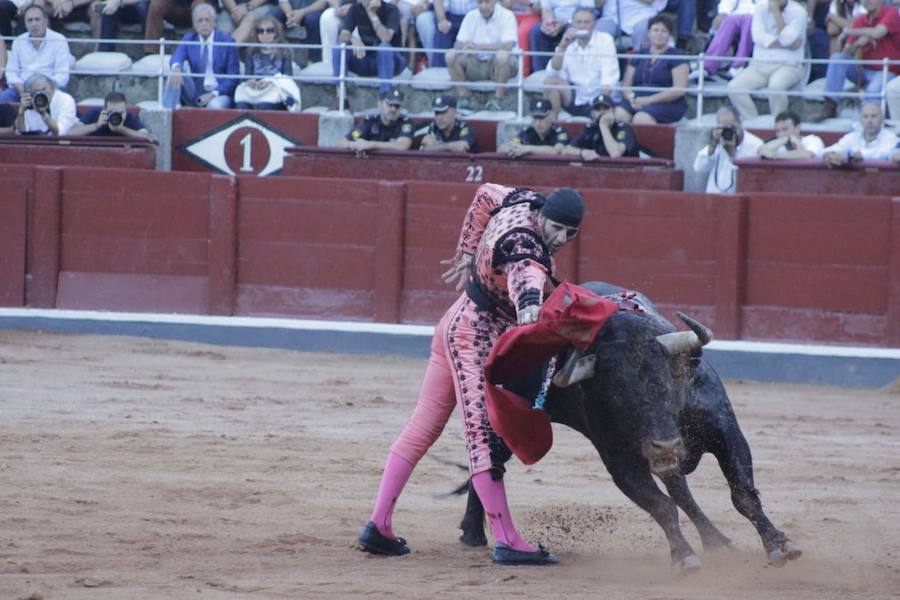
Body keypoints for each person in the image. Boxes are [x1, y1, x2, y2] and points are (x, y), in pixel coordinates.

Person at [358, 182, 585, 566]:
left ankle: (378, 525)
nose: (561, 237)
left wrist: (466, 251)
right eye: (557, 227)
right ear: (543, 214)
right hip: (473, 337)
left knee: (423, 426)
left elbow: (485, 194)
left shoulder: (520, 200)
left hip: (455, 320)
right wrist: (529, 305)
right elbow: (525, 274)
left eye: (570, 232)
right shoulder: (526, 247)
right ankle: (508, 540)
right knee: (481, 439)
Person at [809, 0, 900, 122]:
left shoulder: (891, 12)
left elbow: (878, 32)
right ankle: (830, 106)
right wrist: (858, 43)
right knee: (838, 58)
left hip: (887, 71)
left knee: (873, 89)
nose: (867, 1)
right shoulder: (861, 19)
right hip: (863, 70)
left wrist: (849, 31)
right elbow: (847, 51)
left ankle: (870, 121)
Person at [726, 0, 807, 121]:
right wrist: (786, 45)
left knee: (776, 87)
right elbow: (758, 37)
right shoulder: (760, 7)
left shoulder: (799, 12)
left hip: (789, 65)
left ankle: (780, 125)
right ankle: (754, 123)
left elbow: (786, 39)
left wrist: (776, 12)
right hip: (759, 65)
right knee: (734, 87)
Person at [542, 7, 618, 117]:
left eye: (586, 22)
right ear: (573, 24)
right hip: (575, 97)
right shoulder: (568, 41)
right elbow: (552, 73)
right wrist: (562, 47)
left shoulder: (605, 40)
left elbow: (609, 80)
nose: (582, 26)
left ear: (594, 24)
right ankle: (552, 127)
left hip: (599, 100)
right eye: (579, 22)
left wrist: (600, 106)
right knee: (550, 82)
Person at [614, 14, 689, 125]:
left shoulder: (677, 56)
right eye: (655, 30)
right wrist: (632, 98)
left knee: (641, 119)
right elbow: (626, 85)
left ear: (670, 35)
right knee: (618, 114)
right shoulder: (639, 55)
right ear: (649, 33)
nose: (659, 34)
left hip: (666, 102)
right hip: (637, 99)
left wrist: (649, 100)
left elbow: (679, 89)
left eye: (664, 31)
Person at [162, 2, 240, 109]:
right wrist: (177, 67)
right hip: (196, 91)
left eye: (207, 20)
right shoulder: (189, 39)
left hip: (219, 93)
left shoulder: (227, 41)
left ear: (214, 23)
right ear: (194, 24)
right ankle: (166, 112)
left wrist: (213, 94)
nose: (204, 24)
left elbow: (233, 77)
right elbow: (177, 56)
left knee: (214, 106)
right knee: (174, 73)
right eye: (200, 20)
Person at [445, 0, 518, 111]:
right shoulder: (470, 16)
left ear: (494, 2)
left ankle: (498, 99)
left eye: (487, 2)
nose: (483, 6)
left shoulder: (507, 15)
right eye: (480, 2)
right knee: (450, 55)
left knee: (502, 56)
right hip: (476, 62)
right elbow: (457, 44)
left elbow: (508, 45)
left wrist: (479, 47)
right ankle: (464, 97)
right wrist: (466, 45)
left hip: (498, 65)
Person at [0, 4, 71, 103]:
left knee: (62, 100)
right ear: (25, 23)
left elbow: (62, 74)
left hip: (50, 89)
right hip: (22, 89)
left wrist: (44, 88)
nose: (34, 24)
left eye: (37, 19)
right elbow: (11, 71)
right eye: (30, 20)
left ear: (46, 21)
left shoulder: (59, 40)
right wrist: (21, 88)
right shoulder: (19, 41)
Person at [332, 0, 406, 95]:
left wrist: (372, 14)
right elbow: (343, 35)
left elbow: (386, 38)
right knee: (339, 47)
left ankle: (385, 97)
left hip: (391, 62)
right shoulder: (355, 9)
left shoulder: (391, 10)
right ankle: (341, 97)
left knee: (384, 48)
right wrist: (354, 40)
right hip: (366, 58)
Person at [234, 15, 301, 110]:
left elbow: (287, 76)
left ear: (276, 33)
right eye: (261, 31)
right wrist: (251, 81)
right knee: (241, 105)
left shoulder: (285, 51)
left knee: (264, 106)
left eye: (269, 30)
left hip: (275, 88)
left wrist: (270, 82)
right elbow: (247, 75)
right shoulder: (251, 51)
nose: (265, 34)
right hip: (255, 89)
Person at [693, 104, 763, 193]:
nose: (727, 130)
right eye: (723, 126)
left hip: (738, 199)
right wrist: (712, 145)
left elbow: (749, 178)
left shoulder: (755, 145)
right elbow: (699, 168)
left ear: (739, 123)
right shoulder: (719, 141)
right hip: (713, 198)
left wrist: (732, 154)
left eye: (730, 126)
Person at [336, 87, 414, 153]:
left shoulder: (405, 123)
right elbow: (341, 143)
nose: (393, 109)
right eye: (389, 105)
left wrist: (371, 144)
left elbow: (402, 146)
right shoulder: (370, 122)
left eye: (397, 106)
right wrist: (353, 145)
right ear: (380, 105)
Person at [562, 93, 639, 159]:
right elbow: (566, 151)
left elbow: (615, 154)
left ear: (613, 111)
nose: (602, 112)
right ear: (592, 113)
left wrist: (604, 127)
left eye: (606, 108)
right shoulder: (590, 128)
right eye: (598, 109)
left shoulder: (623, 128)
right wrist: (582, 152)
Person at [528, 0, 596, 72]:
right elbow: (546, 10)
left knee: (571, 31)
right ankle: (540, 72)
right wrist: (550, 25)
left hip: (576, 22)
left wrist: (566, 22)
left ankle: (574, 72)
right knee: (537, 31)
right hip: (557, 22)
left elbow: (587, 11)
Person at [822, 102, 898, 165]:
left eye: (874, 116)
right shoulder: (852, 137)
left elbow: (882, 153)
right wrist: (829, 155)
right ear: (860, 120)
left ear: (882, 119)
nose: (869, 120)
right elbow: (831, 149)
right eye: (865, 117)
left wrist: (850, 156)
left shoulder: (891, 138)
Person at [699, 0, 758, 79]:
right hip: (737, 14)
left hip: (758, 15)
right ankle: (707, 66)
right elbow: (727, 3)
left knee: (748, 21)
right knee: (729, 20)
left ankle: (738, 66)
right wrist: (724, 12)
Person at [68, 91, 156, 141]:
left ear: (126, 109)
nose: (117, 115)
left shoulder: (130, 118)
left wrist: (122, 129)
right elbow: (71, 132)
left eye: (121, 112)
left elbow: (148, 138)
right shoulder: (95, 114)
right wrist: (96, 125)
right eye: (112, 112)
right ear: (104, 110)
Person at [499, 97, 569, 157]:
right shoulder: (527, 131)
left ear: (551, 116)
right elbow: (503, 148)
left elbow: (556, 151)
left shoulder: (559, 133)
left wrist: (527, 149)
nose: (538, 123)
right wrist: (508, 149)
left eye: (542, 118)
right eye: (535, 118)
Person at [416, 0, 477, 68]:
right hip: (450, 17)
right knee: (441, 40)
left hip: (473, 16)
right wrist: (442, 19)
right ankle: (438, 70)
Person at [12, 72, 77, 135]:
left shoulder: (66, 100)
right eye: (37, 92)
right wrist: (21, 113)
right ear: (30, 94)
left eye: (44, 89)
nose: (42, 93)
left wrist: (43, 113)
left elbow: (60, 132)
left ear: (52, 87)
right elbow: (21, 134)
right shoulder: (31, 102)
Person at [144, 0, 213, 54]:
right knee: (156, 4)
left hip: (197, 7)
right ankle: (151, 52)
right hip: (175, 7)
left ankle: (194, 52)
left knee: (200, 6)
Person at [756, 110, 824, 159]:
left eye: (785, 129)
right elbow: (760, 152)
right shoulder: (776, 144)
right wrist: (782, 140)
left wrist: (774, 155)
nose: (781, 134)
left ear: (797, 128)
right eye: (777, 131)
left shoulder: (813, 140)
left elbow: (807, 155)